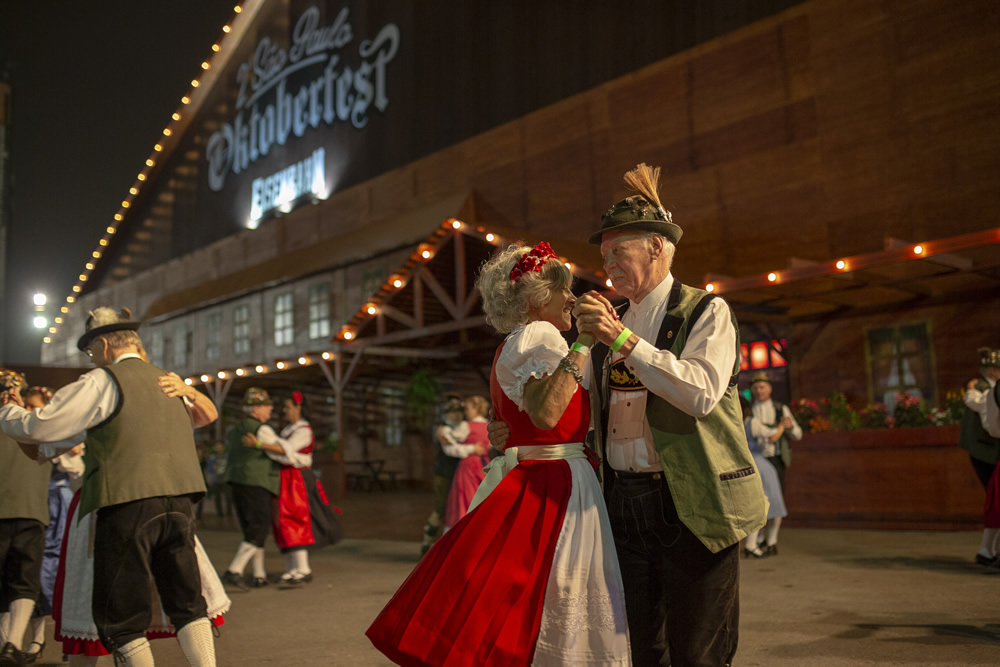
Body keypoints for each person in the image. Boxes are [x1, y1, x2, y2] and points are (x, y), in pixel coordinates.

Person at [367, 241, 631, 665]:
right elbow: (547, 413)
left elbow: (531, 416)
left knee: (527, 595)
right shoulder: (540, 335)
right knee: (558, 591)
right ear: (535, 299)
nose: (571, 298)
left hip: (548, 473)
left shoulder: (520, 341)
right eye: (563, 290)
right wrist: (583, 342)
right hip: (554, 483)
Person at [569, 163, 768, 666]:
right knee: (639, 648)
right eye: (603, 255)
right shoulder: (610, 326)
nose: (607, 264)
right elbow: (576, 408)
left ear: (657, 246)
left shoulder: (707, 311)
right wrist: (515, 428)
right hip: (623, 505)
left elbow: (699, 391)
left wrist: (620, 339)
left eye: (618, 250)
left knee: (698, 650)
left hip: (693, 503)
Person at [0, 307, 221, 666]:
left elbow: (39, 428)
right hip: (181, 504)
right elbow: (206, 415)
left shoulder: (102, 382)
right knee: (188, 604)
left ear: (103, 344)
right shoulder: (169, 382)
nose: (91, 361)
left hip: (127, 504)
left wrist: (7, 413)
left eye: (90, 353)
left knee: (122, 619)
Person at [242, 390, 342, 584]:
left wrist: (259, 445)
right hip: (287, 476)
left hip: (297, 478)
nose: (284, 410)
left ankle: (303, 568)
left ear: (298, 408)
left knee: (295, 518)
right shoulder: (290, 429)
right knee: (283, 520)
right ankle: (292, 567)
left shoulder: (303, 430)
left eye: (288, 407)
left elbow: (286, 451)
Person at [0, 371, 52, 666]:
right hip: (33, 512)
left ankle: (6, 644)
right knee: (24, 582)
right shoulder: (36, 425)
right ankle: (13, 643)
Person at [222, 387, 281, 589]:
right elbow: (282, 451)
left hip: (238, 481)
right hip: (257, 482)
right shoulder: (262, 429)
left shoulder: (236, 429)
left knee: (251, 529)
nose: (270, 408)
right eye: (266, 405)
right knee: (260, 527)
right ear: (255, 409)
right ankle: (234, 570)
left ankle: (259, 574)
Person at [419, 394, 478, 556]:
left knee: (462, 509)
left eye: (459, 411)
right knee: (440, 511)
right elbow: (451, 449)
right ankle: (427, 544)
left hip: (465, 475)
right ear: (446, 414)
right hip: (445, 474)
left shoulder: (466, 426)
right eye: (452, 411)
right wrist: (474, 449)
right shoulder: (442, 429)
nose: (457, 414)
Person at [961, 347, 1000, 566]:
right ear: (994, 371)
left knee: (996, 502)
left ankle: (988, 550)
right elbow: (986, 416)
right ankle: (988, 550)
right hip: (986, 452)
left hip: (988, 451)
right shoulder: (986, 390)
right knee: (995, 502)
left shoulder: (986, 388)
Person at [740, 398, 787, 558]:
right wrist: (781, 427)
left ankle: (754, 542)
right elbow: (772, 437)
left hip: (740, 466)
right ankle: (765, 542)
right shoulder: (751, 422)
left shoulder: (731, 423)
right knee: (770, 503)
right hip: (759, 465)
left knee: (753, 505)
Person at [442, 395, 490, 531]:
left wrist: (445, 431)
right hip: (484, 464)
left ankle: (463, 530)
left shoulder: (465, 426)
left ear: (476, 409)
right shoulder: (488, 426)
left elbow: (451, 437)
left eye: (467, 408)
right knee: (482, 497)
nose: (465, 412)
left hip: (468, 467)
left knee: (464, 497)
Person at [749, 371, 801, 494]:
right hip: (755, 458)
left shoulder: (780, 409)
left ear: (769, 389)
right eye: (755, 388)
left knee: (777, 492)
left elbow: (798, 434)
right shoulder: (748, 411)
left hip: (775, 458)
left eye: (762, 387)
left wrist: (791, 427)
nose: (759, 391)